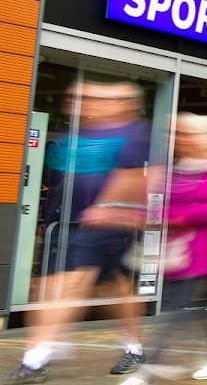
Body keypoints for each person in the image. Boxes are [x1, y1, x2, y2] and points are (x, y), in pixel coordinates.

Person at [6, 79, 151, 385]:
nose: (86, 102)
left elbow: (137, 177)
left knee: (69, 286)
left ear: (123, 104)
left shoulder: (134, 133)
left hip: (106, 225)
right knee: (114, 290)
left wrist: (112, 208)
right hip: (66, 222)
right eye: (82, 97)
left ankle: (34, 360)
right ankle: (134, 347)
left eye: (97, 98)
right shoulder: (75, 135)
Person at [121, 112, 207, 384]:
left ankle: (148, 370)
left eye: (187, 134)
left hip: (206, 253)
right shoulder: (181, 167)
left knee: (175, 311)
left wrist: (181, 217)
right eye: (177, 134)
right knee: (199, 309)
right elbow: (167, 201)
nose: (180, 139)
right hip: (177, 251)